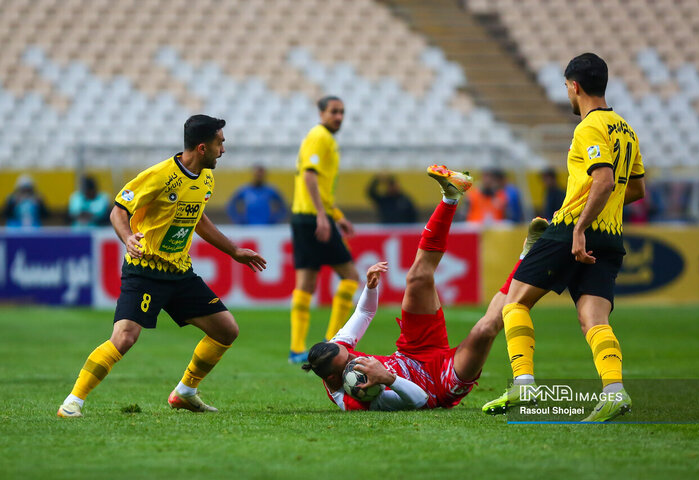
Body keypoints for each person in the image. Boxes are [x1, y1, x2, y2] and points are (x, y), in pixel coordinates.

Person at [57, 115, 267, 418]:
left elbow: (198, 218)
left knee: (226, 330)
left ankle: (185, 392)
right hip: (145, 271)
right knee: (125, 338)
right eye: (220, 143)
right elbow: (118, 211)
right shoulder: (159, 175)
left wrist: (233, 250)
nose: (224, 149)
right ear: (201, 147)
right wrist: (128, 238)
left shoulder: (206, 177)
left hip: (179, 273)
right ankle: (73, 401)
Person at [482, 53, 646, 422]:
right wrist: (602, 214)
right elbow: (634, 188)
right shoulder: (626, 129)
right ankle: (614, 392)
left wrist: (580, 226)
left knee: (514, 303)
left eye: (566, 88)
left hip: (572, 228)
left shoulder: (589, 127)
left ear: (575, 86)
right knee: (594, 319)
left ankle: (524, 384)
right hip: (611, 237)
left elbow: (603, 180)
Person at [302, 165, 537, 411]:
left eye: (348, 352)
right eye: (349, 360)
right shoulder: (356, 398)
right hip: (441, 383)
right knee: (485, 330)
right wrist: (387, 378)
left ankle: (451, 195)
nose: (354, 356)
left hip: (413, 351)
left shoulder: (336, 351)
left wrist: (370, 289)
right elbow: (421, 400)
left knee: (417, 277)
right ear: (333, 378)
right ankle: (527, 256)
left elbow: (363, 314)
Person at [288, 95, 360, 364]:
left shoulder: (324, 137)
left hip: (306, 217)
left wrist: (336, 215)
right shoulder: (319, 136)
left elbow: (321, 187)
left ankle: (297, 349)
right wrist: (322, 215)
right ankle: (333, 342)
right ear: (321, 113)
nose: (339, 116)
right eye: (334, 112)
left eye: (342, 112)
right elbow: (309, 176)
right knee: (350, 276)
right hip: (312, 218)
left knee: (306, 283)